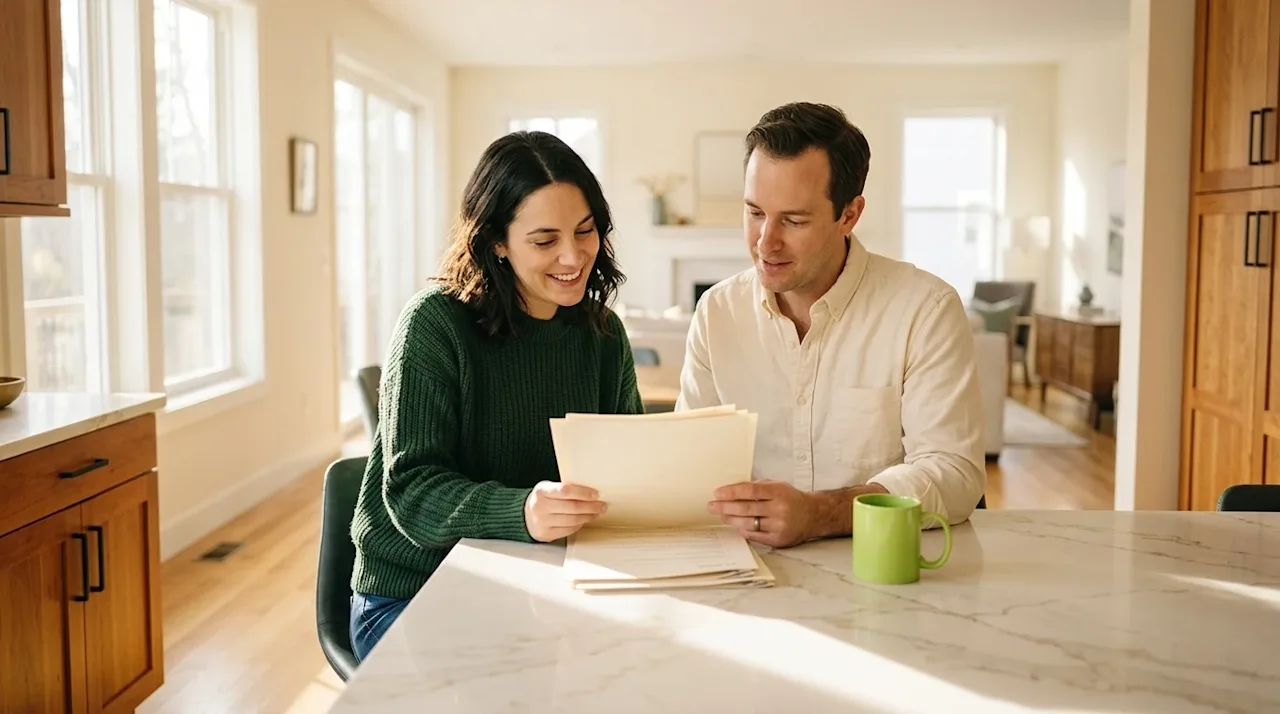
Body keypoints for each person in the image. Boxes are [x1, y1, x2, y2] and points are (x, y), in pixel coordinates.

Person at [348, 131, 643, 661]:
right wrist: (521, 511)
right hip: (415, 592)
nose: (573, 255)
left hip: (545, 582)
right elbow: (411, 492)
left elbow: (629, 472)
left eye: (585, 230)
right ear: (497, 242)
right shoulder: (434, 324)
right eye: (545, 240)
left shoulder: (602, 335)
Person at [679, 102, 986, 549]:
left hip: (882, 562)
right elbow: (690, 458)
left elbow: (955, 472)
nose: (766, 242)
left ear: (849, 215)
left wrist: (819, 514)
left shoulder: (925, 309)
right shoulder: (716, 312)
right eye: (755, 212)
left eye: (794, 220)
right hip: (747, 561)